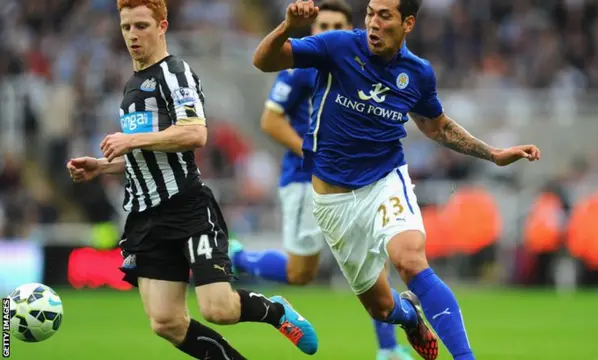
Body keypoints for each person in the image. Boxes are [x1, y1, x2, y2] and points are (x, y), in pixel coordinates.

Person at [252, 0, 542, 359]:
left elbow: (438, 127)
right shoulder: (338, 45)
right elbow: (264, 60)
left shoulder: (417, 73)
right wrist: (286, 26)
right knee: (381, 308)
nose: (373, 22)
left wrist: (493, 154)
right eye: (370, 12)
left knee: (410, 260)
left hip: (384, 181)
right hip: (333, 201)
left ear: (408, 23)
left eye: (384, 15)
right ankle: (410, 319)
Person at [66, 1, 318, 359]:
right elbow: (152, 156)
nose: (133, 36)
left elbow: (194, 133)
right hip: (147, 220)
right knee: (165, 321)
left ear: (162, 25)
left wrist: (131, 141)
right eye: (126, 28)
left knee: (218, 309)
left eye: (141, 26)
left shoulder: (175, 73)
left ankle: (276, 311)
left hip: (187, 209)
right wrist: (102, 166)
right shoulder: (131, 87)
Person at [230, 1, 413, 359]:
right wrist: (313, 154)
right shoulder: (300, 68)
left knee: (377, 255)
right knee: (301, 273)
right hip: (304, 179)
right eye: (322, 24)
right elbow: (271, 121)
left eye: (336, 25)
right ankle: (239, 260)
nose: (328, 31)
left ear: (350, 30)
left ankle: (389, 349)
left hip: (354, 180)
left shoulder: (359, 65)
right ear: (313, 30)